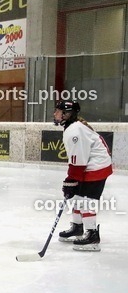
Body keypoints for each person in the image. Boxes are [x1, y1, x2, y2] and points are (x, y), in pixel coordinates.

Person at [55, 100, 113, 251]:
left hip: (96, 167)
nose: (55, 114)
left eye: (58, 111)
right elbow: (77, 159)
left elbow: (79, 160)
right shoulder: (72, 127)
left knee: (85, 201)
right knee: (76, 198)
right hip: (91, 165)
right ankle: (78, 227)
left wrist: (71, 180)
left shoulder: (75, 130)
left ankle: (92, 235)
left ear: (67, 114)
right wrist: (72, 182)